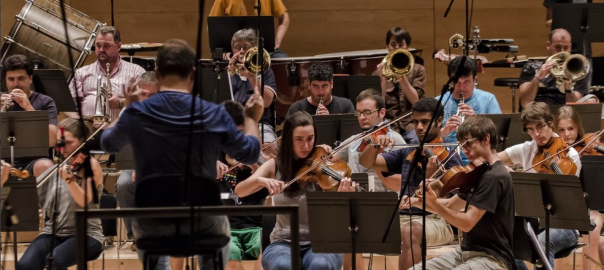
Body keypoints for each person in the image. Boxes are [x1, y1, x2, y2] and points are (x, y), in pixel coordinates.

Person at [100, 39, 264, 270]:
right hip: (203, 223)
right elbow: (249, 153)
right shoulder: (214, 113)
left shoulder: (138, 113)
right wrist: (250, 119)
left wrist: (127, 110)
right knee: (219, 226)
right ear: (193, 74)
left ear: (157, 73)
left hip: (153, 223)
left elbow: (107, 144)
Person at [234, 110, 356, 270]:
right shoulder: (276, 165)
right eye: (299, 139)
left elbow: (338, 220)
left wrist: (343, 199)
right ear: (288, 140)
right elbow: (239, 191)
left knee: (321, 265)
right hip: (282, 243)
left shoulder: (325, 160)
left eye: (310, 139)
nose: (306, 146)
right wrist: (260, 180)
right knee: (283, 265)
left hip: (321, 242)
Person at [359, 98, 460, 270]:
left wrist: (429, 178)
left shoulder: (449, 158)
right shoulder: (408, 152)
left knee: (409, 232)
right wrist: (375, 144)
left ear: (439, 121)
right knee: (354, 228)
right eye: (416, 121)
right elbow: (367, 162)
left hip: (437, 221)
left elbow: (453, 204)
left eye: (425, 122)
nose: (419, 127)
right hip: (401, 218)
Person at [403, 115, 516, 270]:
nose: (464, 150)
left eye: (468, 143)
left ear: (486, 139)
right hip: (464, 253)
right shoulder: (478, 172)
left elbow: (467, 223)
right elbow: (450, 204)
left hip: (492, 259)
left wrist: (435, 203)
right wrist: (415, 202)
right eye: (462, 145)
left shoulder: (495, 176)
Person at [498, 101, 580, 270]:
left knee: (542, 243)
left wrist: (555, 168)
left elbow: (568, 198)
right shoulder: (527, 149)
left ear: (550, 123)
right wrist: (500, 168)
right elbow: (493, 159)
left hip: (565, 225)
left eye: (540, 126)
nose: (536, 134)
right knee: (503, 240)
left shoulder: (569, 155)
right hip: (532, 222)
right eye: (530, 129)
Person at [17, 118, 104, 270]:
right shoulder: (57, 169)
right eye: (60, 142)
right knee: (25, 265)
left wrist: (69, 181)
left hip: (87, 233)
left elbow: (85, 201)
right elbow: (38, 200)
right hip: (54, 231)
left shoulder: (90, 165)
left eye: (69, 142)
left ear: (83, 141)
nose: (63, 147)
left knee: (55, 260)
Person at [554, 105, 603, 270]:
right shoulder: (552, 152)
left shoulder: (588, 147)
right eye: (561, 129)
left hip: (588, 205)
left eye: (571, 129)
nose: (567, 134)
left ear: (578, 128)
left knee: (593, 229)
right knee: (555, 232)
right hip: (560, 208)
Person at [67, 26, 145, 125]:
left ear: (119, 46)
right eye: (98, 45)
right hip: (89, 132)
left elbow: (146, 103)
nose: (101, 49)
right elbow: (69, 107)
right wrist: (81, 124)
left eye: (106, 46)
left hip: (122, 131)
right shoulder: (81, 73)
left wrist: (120, 103)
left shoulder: (136, 72)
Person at [331, 89, 405, 192]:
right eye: (358, 113)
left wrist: (375, 161)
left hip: (384, 202)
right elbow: (330, 159)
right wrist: (323, 150)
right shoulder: (354, 140)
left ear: (382, 113)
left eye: (367, 112)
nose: (361, 117)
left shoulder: (395, 140)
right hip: (355, 198)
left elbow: (404, 181)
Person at [437, 56, 501, 164]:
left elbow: (498, 137)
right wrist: (443, 132)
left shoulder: (488, 99)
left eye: (466, 82)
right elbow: (426, 141)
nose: (461, 88)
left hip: (480, 162)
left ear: (475, 80)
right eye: (457, 82)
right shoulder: (438, 103)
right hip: (445, 163)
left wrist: (477, 122)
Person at [1, 54, 57, 177]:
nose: (16, 84)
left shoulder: (45, 102)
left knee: (46, 166)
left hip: (33, 161)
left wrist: (29, 108)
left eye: (21, 78)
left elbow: (51, 140)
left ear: (30, 79)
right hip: (2, 161)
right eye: (11, 79)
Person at [373, 27, 426, 143]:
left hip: (411, 125)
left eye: (401, 45)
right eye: (393, 44)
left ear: (408, 47)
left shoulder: (418, 69)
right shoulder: (378, 72)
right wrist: (382, 79)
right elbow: (377, 104)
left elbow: (416, 101)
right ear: (387, 47)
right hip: (388, 126)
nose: (397, 48)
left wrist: (401, 76)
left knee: (416, 142)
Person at [228, 28, 279, 145]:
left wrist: (252, 76)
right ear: (232, 49)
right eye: (237, 47)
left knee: (269, 147)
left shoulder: (265, 71)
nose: (241, 51)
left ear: (254, 49)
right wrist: (229, 75)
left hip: (261, 125)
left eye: (245, 47)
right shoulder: (227, 72)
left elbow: (266, 102)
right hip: (234, 126)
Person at [518, 28, 588, 108]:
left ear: (570, 47)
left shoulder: (576, 69)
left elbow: (574, 108)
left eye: (566, 48)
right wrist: (537, 77)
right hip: (537, 114)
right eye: (558, 47)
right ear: (548, 45)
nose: (562, 51)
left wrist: (568, 87)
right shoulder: (531, 67)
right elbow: (525, 103)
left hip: (563, 114)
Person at [209, 0, 290, 58]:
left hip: (263, 50)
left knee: (282, 58)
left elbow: (284, 18)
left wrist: (277, 41)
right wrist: (222, 51)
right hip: (234, 51)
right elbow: (212, 23)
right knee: (218, 59)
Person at [286, 63, 355, 117]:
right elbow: (289, 134)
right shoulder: (297, 109)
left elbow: (352, 133)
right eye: (316, 86)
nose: (320, 92)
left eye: (324, 86)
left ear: (331, 83)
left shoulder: (345, 106)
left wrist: (329, 120)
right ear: (309, 84)